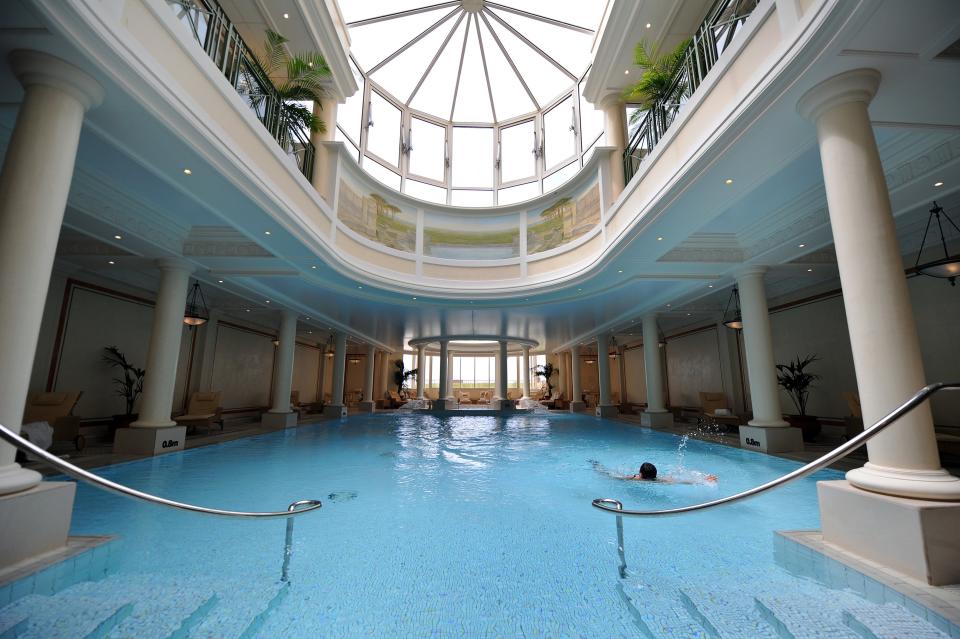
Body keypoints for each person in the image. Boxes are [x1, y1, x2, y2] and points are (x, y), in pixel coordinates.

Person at [589, 460, 717, 484]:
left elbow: (618, 478)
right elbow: (683, 481)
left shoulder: (635, 478)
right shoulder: (659, 480)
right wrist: (704, 480)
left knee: (610, 474)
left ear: (640, 473)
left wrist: (601, 471)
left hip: (627, 478)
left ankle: (596, 465)